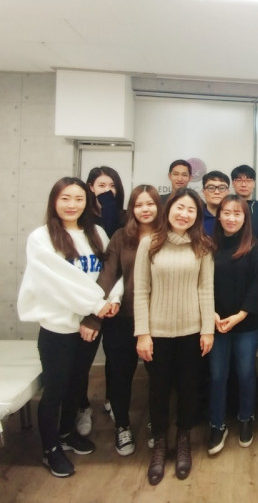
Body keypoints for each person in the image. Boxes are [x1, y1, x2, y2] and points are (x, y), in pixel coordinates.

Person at [17, 177, 114, 478]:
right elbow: (57, 282)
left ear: (87, 202)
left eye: (79, 199)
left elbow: (110, 273)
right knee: (55, 388)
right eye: (65, 198)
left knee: (77, 383)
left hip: (90, 326)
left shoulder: (96, 233)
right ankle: (50, 449)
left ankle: (67, 432)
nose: (72, 205)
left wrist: (98, 312)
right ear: (54, 201)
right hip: (58, 327)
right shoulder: (41, 237)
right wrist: (95, 306)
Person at [134, 188, 215, 485]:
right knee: (158, 389)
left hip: (192, 331)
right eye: (180, 208)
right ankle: (159, 443)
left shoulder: (202, 245)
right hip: (157, 332)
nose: (184, 214)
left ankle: (183, 440)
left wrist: (207, 329)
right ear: (168, 210)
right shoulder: (149, 243)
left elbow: (205, 289)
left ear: (197, 216)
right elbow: (141, 290)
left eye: (191, 210)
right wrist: (143, 333)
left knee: (189, 388)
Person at [81, 185, 162, 456]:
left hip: (158, 320)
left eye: (150, 203)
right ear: (131, 209)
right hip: (122, 318)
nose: (145, 209)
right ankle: (122, 426)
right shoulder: (120, 237)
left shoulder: (168, 236)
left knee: (159, 376)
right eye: (139, 205)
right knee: (119, 375)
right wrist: (94, 316)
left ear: (159, 206)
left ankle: (157, 423)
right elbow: (108, 275)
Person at [207, 194, 258, 455]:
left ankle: (246, 417)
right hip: (216, 323)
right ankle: (216, 424)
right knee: (217, 375)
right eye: (227, 213)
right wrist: (211, 314)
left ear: (245, 218)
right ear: (219, 216)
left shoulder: (255, 247)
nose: (231, 218)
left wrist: (240, 315)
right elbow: (202, 284)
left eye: (237, 213)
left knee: (245, 373)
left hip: (246, 323)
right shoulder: (208, 246)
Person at [75, 166, 127, 436]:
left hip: (116, 299)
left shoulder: (123, 217)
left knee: (116, 358)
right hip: (87, 302)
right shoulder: (81, 220)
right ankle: (82, 407)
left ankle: (112, 400)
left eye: (113, 186)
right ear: (90, 188)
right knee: (81, 361)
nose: (108, 191)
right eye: (102, 186)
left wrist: (109, 207)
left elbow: (119, 261)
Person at [231, 164, 258, 240]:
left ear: (254, 184)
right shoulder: (226, 206)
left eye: (248, 181)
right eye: (239, 180)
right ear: (233, 183)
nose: (243, 185)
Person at [202, 170, 230, 236]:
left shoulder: (234, 218)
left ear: (228, 192)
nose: (217, 192)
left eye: (222, 188)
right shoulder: (196, 217)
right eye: (211, 188)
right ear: (203, 192)